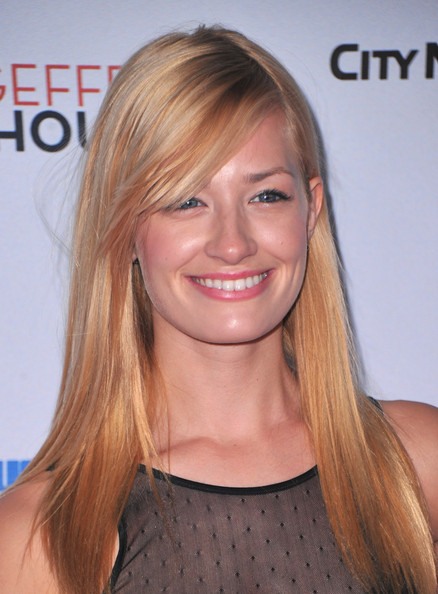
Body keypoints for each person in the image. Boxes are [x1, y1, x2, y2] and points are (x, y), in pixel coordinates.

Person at [0, 25, 436, 594]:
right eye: (186, 200)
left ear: (311, 211)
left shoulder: (418, 463)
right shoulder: (40, 535)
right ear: (124, 228)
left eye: (266, 195)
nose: (232, 244)